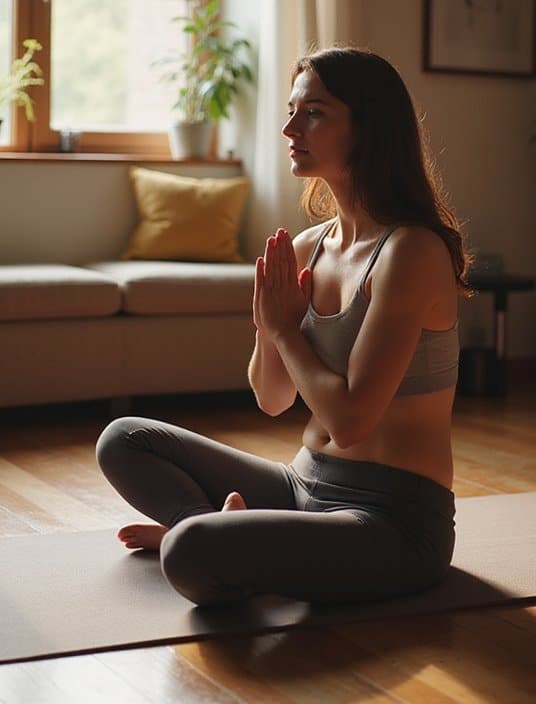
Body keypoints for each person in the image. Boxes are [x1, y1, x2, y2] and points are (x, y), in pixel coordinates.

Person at [96, 47, 470, 606]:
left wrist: (284, 328)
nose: (289, 126)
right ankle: (214, 529)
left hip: (392, 522)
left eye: (314, 112)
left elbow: (350, 420)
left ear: (369, 128)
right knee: (123, 438)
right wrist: (266, 327)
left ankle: (208, 536)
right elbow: (273, 398)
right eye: (293, 109)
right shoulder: (306, 247)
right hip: (300, 485)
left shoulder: (410, 252)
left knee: (189, 554)